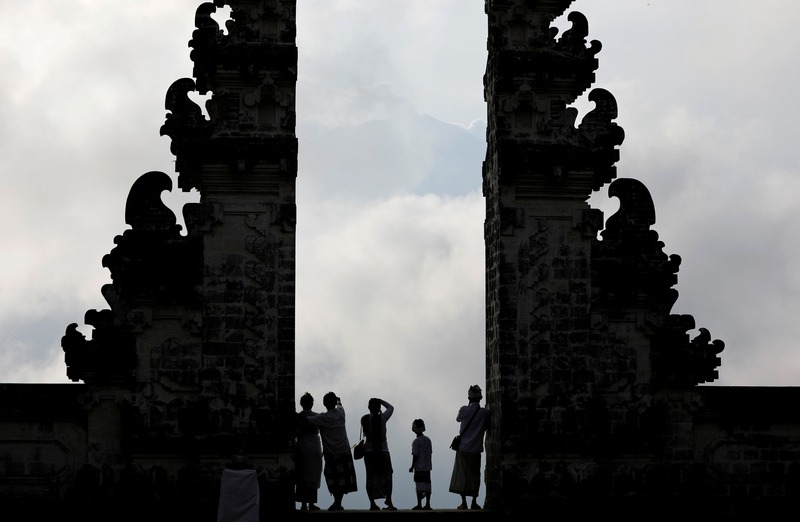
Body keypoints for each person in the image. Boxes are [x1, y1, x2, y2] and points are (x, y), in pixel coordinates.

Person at [304, 392, 358, 511]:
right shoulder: (341, 412)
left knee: (333, 478)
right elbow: (340, 404)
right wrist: (338, 401)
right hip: (344, 450)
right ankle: (337, 502)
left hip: (331, 453)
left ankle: (337, 502)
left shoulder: (323, 418)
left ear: (324, 403)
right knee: (343, 479)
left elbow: (305, 420)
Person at [449, 384, 490, 510]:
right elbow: (487, 426)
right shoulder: (484, 412)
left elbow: (458, 419)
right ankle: (474, 502)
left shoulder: (464, 410)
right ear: (480, 398)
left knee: (462, 475)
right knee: (474, 476)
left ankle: (463, 503)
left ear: (469, 398)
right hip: (476, 448)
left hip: (463, 448)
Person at [360, 397, 397, 510]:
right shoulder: (382, 418)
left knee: (371, 477)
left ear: (368, 407)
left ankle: (372, 503)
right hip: (383, 451)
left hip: (369, 452)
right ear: (379, 407)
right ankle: (389, 500)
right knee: (387, 476)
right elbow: (391, 407)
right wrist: (380, 400)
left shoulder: (364, 419)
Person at [295, 392, 322, 511]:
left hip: (302, 446)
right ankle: (311, 503)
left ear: (301, 404)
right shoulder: (317, 416)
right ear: (312, 404)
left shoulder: (297, 417)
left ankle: (303, 504)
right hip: (315, 446)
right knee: (313, 475)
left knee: (302, 475)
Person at [408, 418, 433, 510]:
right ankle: (428, 504)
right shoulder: (428, 440)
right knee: (427, 486)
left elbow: (415, 455)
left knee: (419, 486)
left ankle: (419, 504)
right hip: (427, 467)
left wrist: (412, 466)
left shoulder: (416, 442)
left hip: (419, 467)